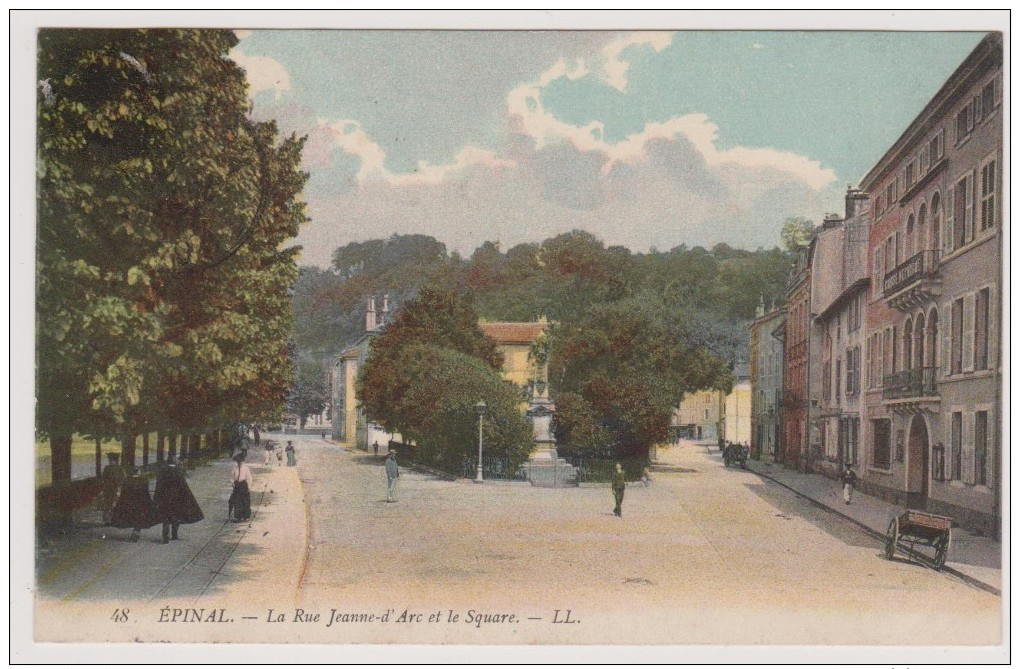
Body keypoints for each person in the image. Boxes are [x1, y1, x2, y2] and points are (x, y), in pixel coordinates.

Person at [152, 457, 204, 544]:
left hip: (165, 498)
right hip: (176, 498)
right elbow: (183, 486)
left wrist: (157, 498)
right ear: (175, 463)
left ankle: (165, 535)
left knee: (166, 517)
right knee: (176, 516)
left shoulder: (162, 471)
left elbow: (158, 486)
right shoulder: (179, 471)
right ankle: (174, 534)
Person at [109, 466, 157, 542]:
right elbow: (146, 493)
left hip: (130, 504)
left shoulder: (127, 481)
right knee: (139, 519)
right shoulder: (143, 481)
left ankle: (135, 534)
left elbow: (123, 494)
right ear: (138, 472)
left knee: (132, 518)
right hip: (140, 503)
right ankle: (136, 532)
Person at [100, 452, 125, 524]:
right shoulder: (107, 468)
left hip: (116, 489)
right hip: (108, 489)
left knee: (115, 503)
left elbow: (123, 479)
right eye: (109, 459)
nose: (109, 461)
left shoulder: (120, 468)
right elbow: (103, 478)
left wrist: (119, 486)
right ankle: (107, 520)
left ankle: (115, 519)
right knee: (107, 504)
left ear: (115, 460)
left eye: (111, 459)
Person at [229, 452, 254, 521]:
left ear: (242, 461)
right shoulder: (235, 468)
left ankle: (245, 516)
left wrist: (249, 487)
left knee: (244, 500)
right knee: (237, 501)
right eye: (237, 461)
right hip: (237, 485)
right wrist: (232, 483)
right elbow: (232, 477)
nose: (238, 462)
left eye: (239, 461)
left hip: (243, 485)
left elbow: (249, 478)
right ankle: (238, 516)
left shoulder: (245, 468)